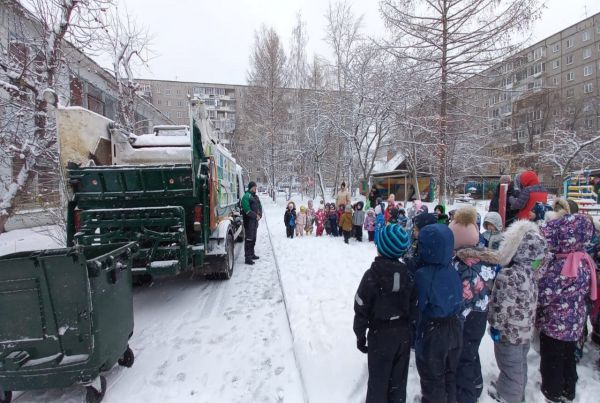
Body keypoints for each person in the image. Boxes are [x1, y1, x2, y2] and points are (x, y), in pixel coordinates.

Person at [536, 209, 597, 402]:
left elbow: (545, 294)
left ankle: (552, 392)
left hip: (555, 324)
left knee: (552, 360)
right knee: (568, 358)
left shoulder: (562, 265)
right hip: (575, 323)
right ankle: (568, 389)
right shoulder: (584, 260)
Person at [354, 224, 415, 403]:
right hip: (402, 335)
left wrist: (360, 335)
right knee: (398, 380)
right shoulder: (408, 275)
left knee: (378, 381)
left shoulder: (371, 275)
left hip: (380, 335)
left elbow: (361, 307)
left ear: (380, 248)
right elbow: (414, 305)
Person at [488, 220, 547, 403]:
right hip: (524, 332)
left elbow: (501, 305)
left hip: (508, 333)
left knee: (509, 365)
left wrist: (495, 325)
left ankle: (509, 396)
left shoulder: (509, 275)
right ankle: (515, 391)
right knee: (518, 365)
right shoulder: (532, 274)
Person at [449, 207, 500, 403]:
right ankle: (476, 383)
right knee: (470, 351)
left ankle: (466, 395)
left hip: (467, 318)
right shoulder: (482, 258)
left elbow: (461, 299)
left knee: (463, 358)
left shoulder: (463, 266)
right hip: (479, 314)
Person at [415, 224, 463, 403]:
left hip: (434, 330)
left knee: (432, 375)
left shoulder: (424, 275)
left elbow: (418, 304)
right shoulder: (451, 269)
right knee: (450, 371)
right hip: (455, 326)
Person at [241, 181, 262, 265]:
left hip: (255, 222)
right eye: (254, 187)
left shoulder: (255, 197)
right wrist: (255, 216)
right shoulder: (246, 196)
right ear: (250, 188)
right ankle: (248, 258)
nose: (255, 188)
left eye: (256, 187)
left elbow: (260, 206)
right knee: (249, 239)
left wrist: (260, 214)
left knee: (253, 238)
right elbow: (247, 210)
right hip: (249, 221)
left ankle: (252, 254)